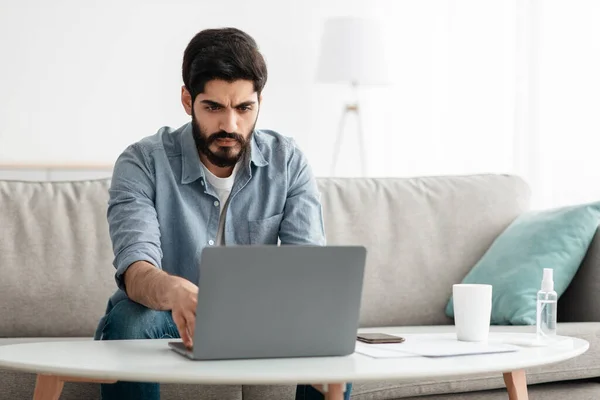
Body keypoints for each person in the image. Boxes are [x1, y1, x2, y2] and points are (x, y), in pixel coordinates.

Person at [93, 27, 353, 400]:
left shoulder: (288, 161)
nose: (229, 125)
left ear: (259, 101)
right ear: (187, 100)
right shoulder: (141, 162)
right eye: (213, 107)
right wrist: (174, 290)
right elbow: (135, 269)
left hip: (259, 316)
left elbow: (308, 270)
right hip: (167, 315)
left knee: (330, 326)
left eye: (244, 108)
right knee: (127, 323)